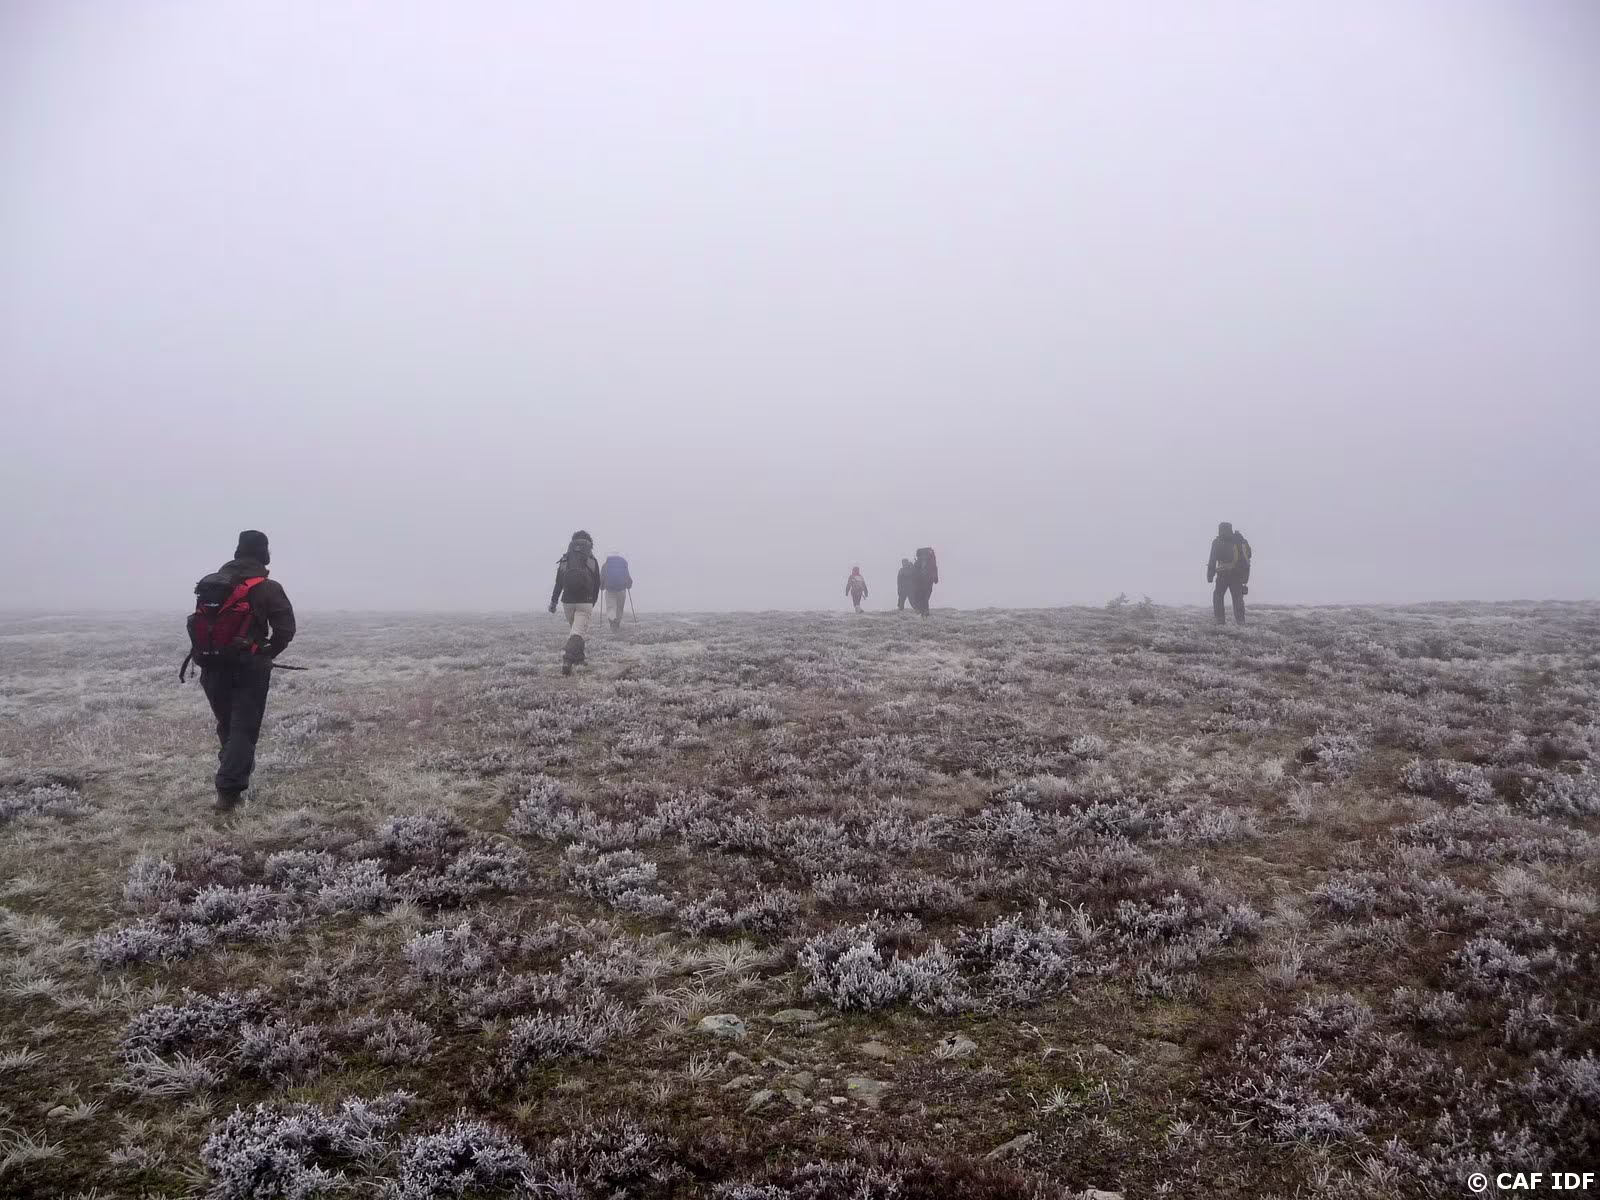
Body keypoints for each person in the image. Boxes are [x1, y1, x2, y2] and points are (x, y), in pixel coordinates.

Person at [193, 530, 295, 811]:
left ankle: (233, 768)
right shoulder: (267, 587)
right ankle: (228, 792)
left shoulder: (212, 583)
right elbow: (285, 630)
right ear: (264, 553)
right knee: (244, 729)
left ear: (238, 551)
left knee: (227, 724)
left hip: (211, 666)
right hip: (248, 668)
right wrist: (266, 653)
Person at [549, 530, 602, 674]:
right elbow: (597, 584)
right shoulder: (591, 559)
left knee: (576, 630)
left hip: (567, 601)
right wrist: (592, 602)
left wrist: (553, 601)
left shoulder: (566, 558)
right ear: (590, 543)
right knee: (578, 632)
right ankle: (568, 659)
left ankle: (579, 658)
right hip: (585, 601)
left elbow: (559, 582)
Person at [1207, 521, 1249, 625]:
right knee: (1237, 597)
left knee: (1218, 596)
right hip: (1237, 574)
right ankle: (1241, 621)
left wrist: (1210, 575)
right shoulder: (1239, 540)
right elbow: (1249, 555)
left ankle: (1220, 620)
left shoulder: (1217, 542)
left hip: (1222, 574)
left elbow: (1212, 559)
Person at [601, 549, 632, 631]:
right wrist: (629, 584)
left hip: (609, 589)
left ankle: (612, 620)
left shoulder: (606, 564)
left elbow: (602, 576)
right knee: (619, 607)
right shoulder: (623, 564)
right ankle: (617, 623)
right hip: (622, 589)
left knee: (610, 606)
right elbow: (627, 575)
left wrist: (601, 586)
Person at [910, 546, 939, 616]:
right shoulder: (930, 563)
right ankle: (924, 612)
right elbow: (934, 569)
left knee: (922, 597)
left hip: (921, 583)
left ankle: (923, 612)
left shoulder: (918, 562)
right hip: (927, 582)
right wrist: (935, 578)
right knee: (925, 597)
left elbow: (914, 573)